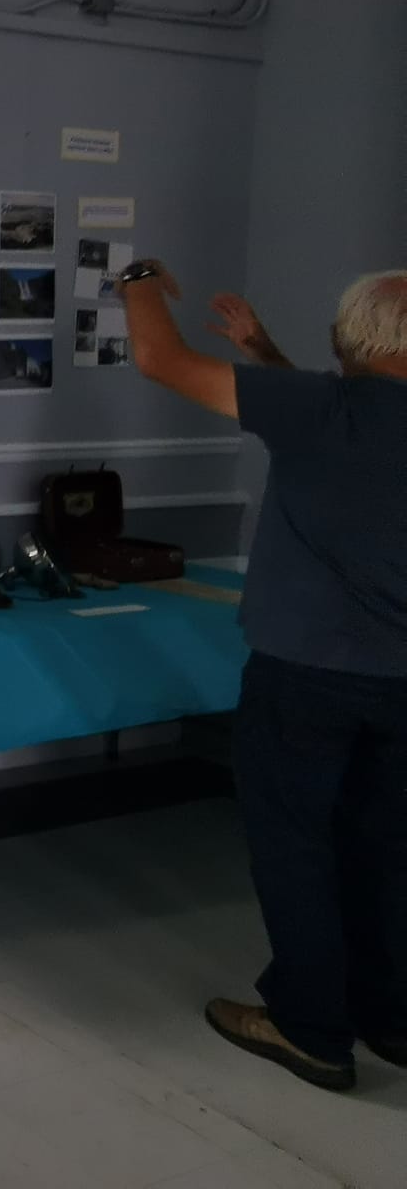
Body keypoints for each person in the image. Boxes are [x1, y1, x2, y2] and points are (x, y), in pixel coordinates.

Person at [120, 261, 407, 1092]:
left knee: (295, 847)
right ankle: (390, 1018)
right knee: (387, 850)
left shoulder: (319, 410)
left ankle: (310, 1029)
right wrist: (263, 351)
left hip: (307, 678)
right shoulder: (321, 409)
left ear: (346, 339)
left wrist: (136, 277)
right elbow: (342, 428)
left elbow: (158, 357)